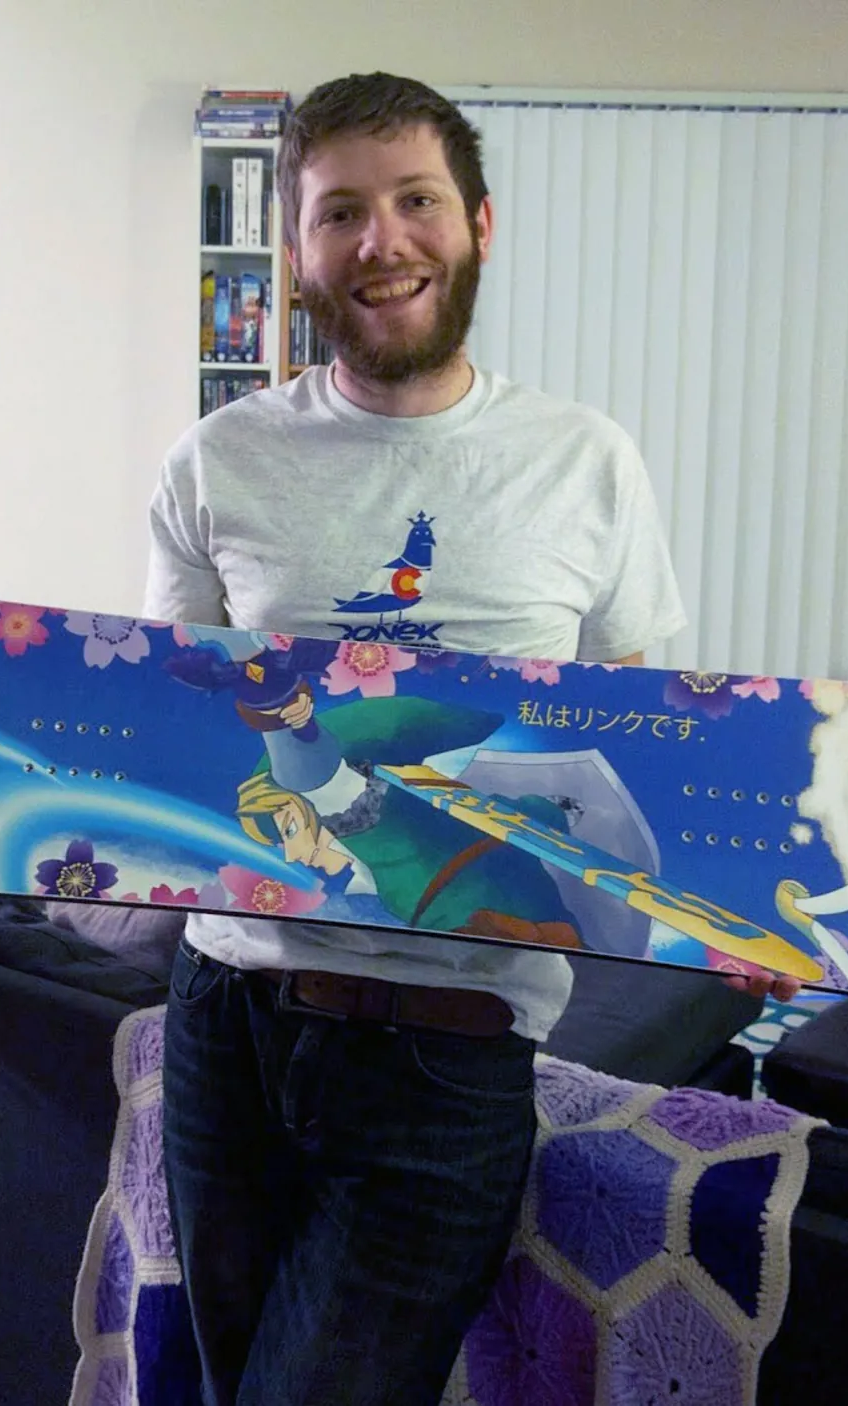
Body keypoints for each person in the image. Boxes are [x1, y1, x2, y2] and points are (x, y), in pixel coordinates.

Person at [137, 71, 799, 1406]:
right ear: (298, 250)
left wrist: (728, 908)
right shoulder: (214, 461)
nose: (381, 243)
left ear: (480, 224)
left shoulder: (585, 461)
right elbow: (170, 747)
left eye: (416, 201)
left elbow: (650, 739)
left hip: (451, 1045)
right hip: (232, 1020)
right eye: (340, 213)